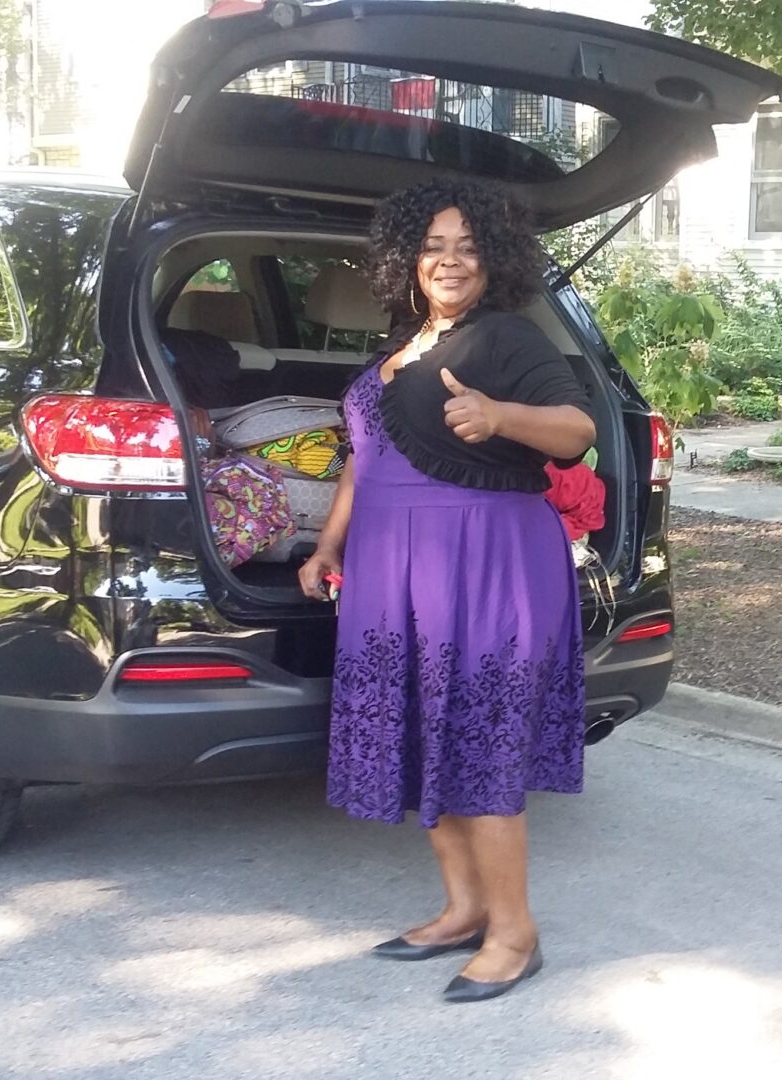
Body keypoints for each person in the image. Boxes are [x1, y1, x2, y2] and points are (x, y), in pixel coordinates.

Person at [297, 177, 596, 1004]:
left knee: (478, 744)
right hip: (392, 573)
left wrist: (501, 417)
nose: (450, 260)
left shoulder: (505, 339)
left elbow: (577, 431)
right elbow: (364, 456)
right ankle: (464, 909)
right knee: (428, 736)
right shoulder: (405, 343)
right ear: (408, 258)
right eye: (433, 245)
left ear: (494, 259)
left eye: (467, 246)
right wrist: (328, 544)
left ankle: (514, 933)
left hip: (485, 565)